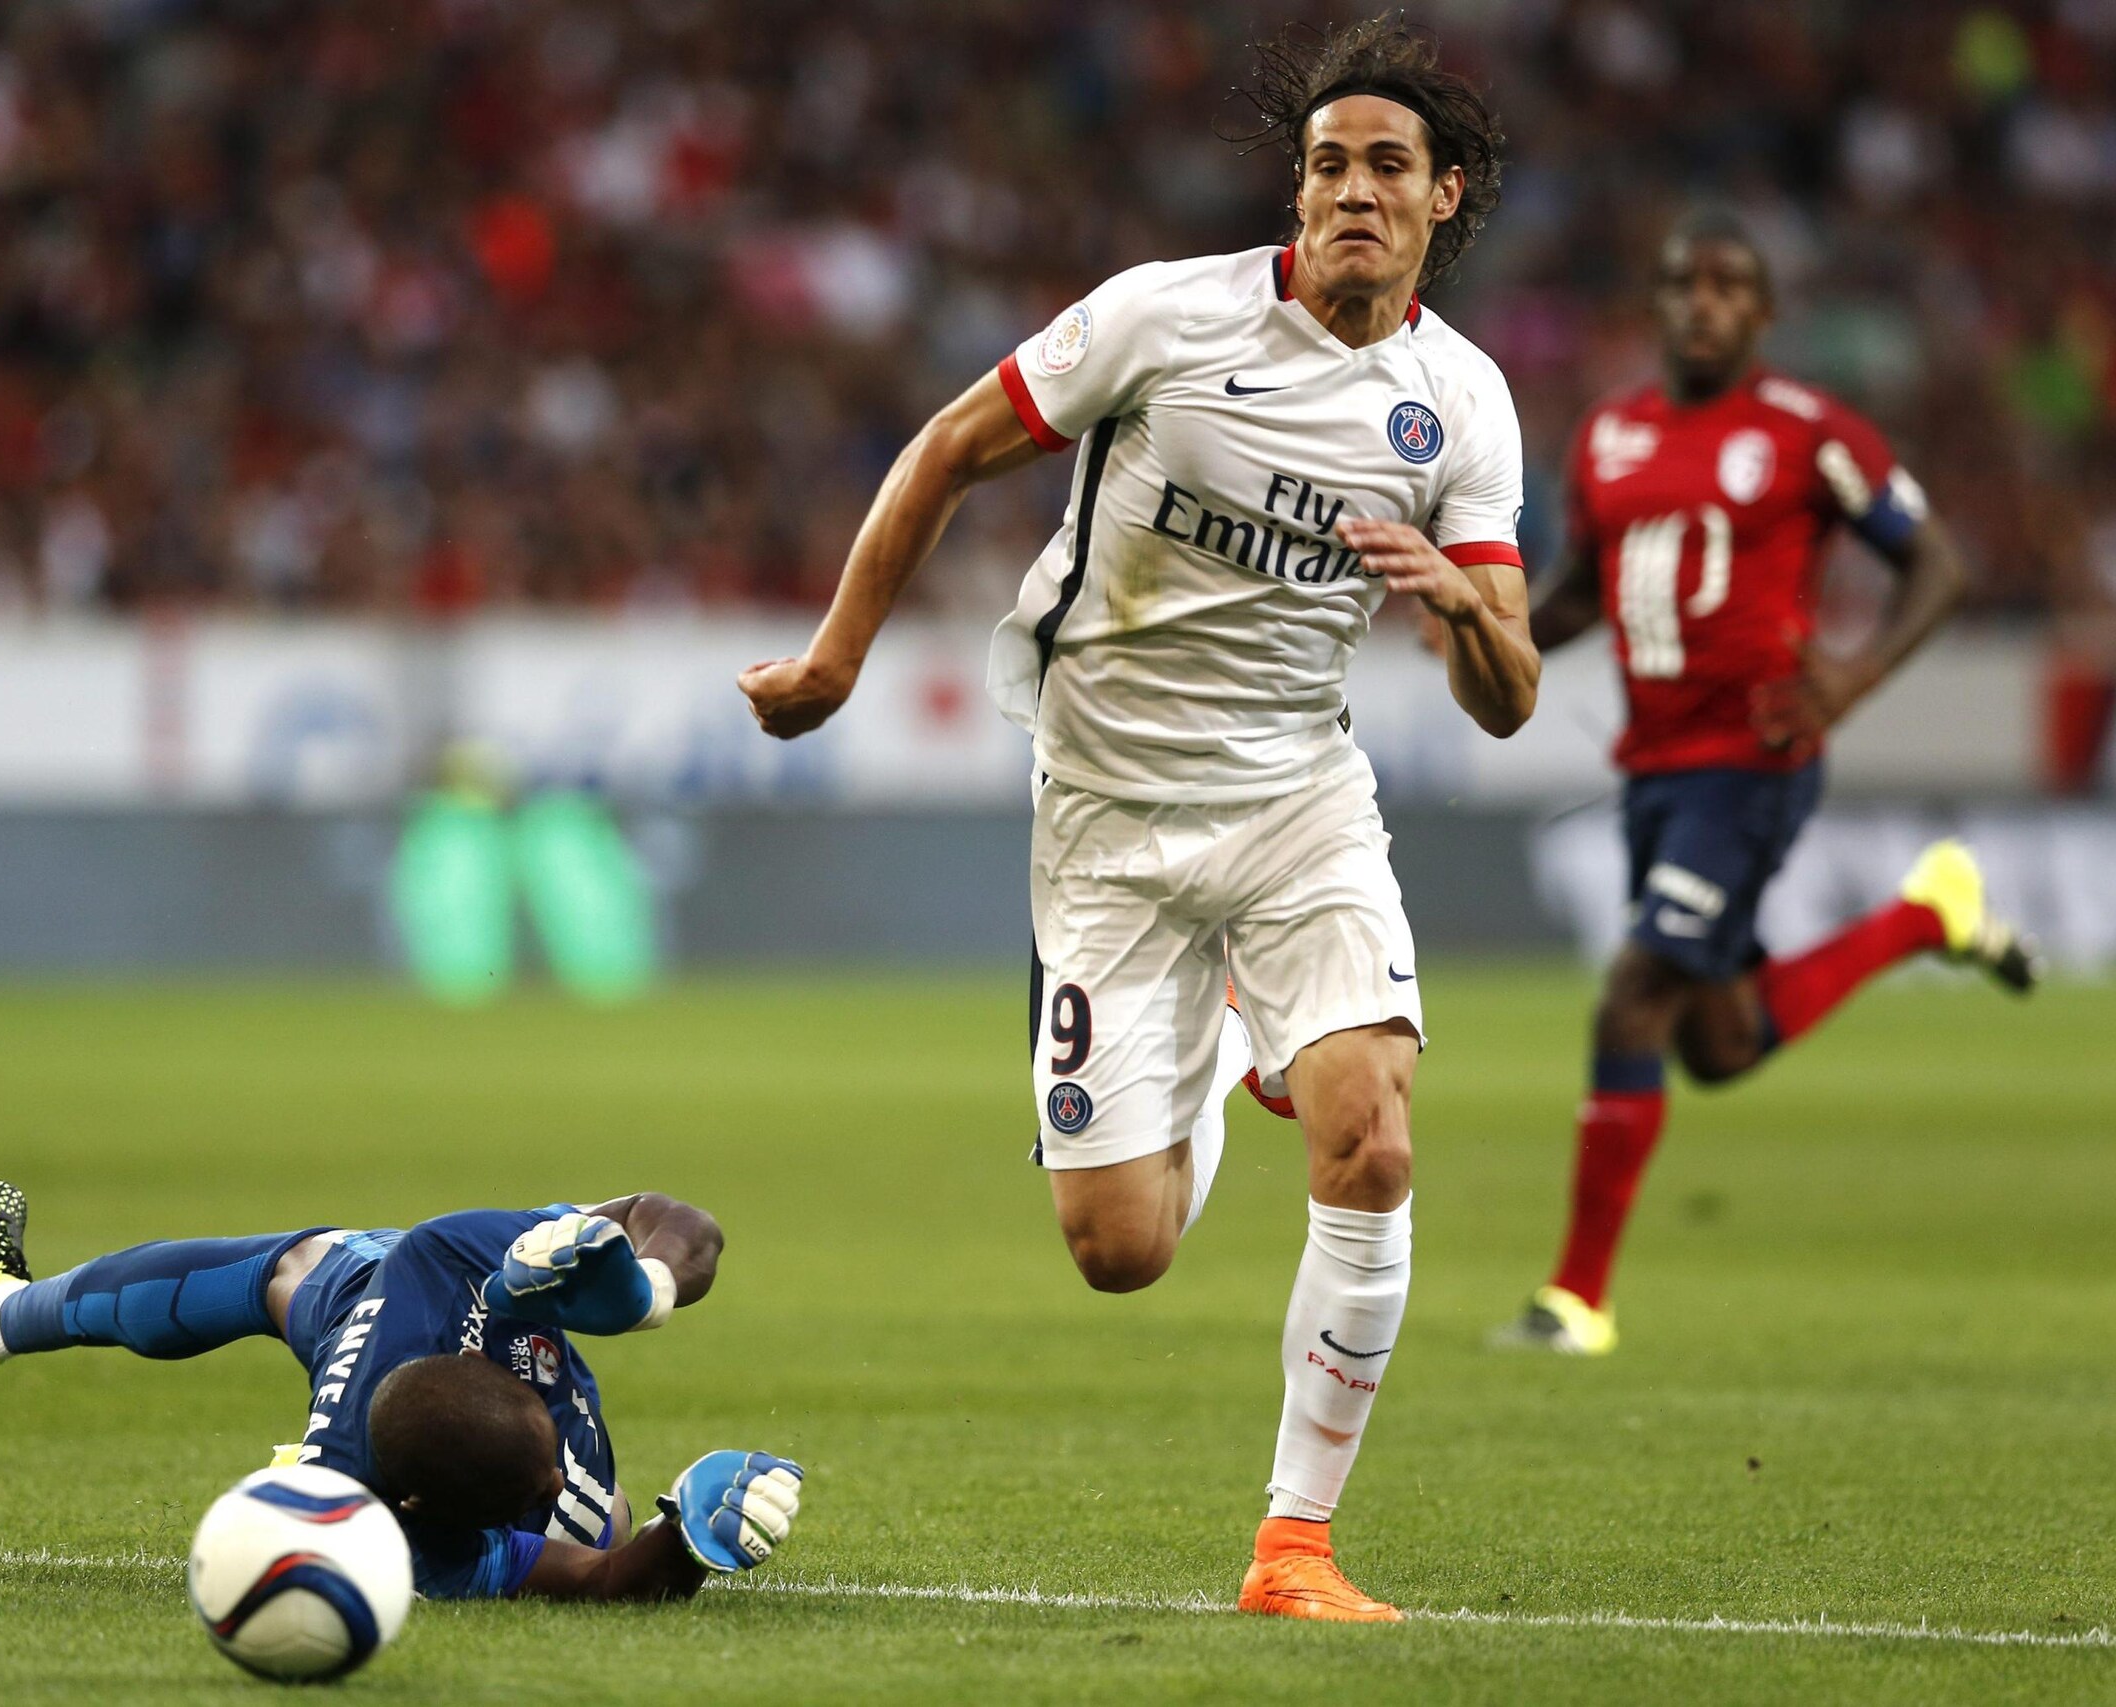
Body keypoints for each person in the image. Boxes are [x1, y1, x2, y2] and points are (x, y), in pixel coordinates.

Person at [739, 17, 1531, 1622]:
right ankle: (1237, 1041)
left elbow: (1506, 698)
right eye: (1327, 164)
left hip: (1300, 798)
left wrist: (1464, 604)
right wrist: (836, 656)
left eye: (1387, 165)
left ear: (1445, 194)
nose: (1353, 190)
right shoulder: (1165, 317)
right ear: (1295, 190)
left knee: (1373, 1136)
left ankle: (1294, 1547)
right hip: (1104, 811)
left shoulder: (1460, 402)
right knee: (1121, 1246)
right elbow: (948, 448)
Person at [1498, 210, 2042, 1358]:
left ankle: (1574, 1300)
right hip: (1653, 769)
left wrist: (1853, 677)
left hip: (1752, 760)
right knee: (1716, 1045)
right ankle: (1924, 916)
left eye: (1727, 285)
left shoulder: (1808, 430)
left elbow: (1936, 564)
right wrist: (1484, 625)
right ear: (1656, 304)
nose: (1702, 302)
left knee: (1632, 994)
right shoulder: (1609, 436)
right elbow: (1583, 592)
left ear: (1763, 310)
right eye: (1682, 283)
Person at [0, 1180, 802, 1601]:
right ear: (423, 1508)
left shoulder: (470, 1262)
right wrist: (685, 1542)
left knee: (294, 1269)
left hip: (375, 1303)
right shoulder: (409, 1537)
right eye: (538, 1487)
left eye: (549, 1456)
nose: (562, 1474)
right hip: (352, 1350)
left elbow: (670, 1215)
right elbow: (605, 1576)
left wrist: (645, 1289)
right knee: (592, 1524)